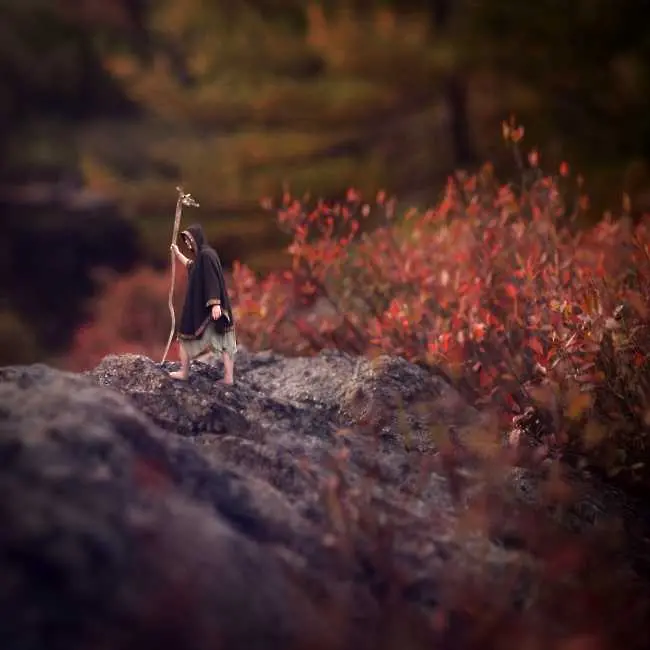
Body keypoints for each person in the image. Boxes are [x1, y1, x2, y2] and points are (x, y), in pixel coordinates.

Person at [169, 223, 236, 383]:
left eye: (189, 240)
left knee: (223, 340)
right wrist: (178, 254)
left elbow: (213, 279)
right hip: (206, 308)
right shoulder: (203, 257)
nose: (187, 244)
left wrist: (215, 304)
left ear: (196, 238)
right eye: (185, 241)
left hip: (212, 308)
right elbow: (192, 267)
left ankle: (228, 378)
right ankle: (186, 372)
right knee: (192, 337)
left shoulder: (207, 255)